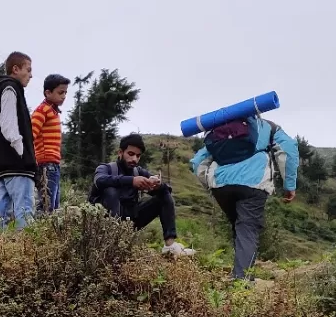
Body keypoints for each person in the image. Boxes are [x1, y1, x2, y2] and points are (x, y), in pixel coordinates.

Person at [191, 116, 298, 280]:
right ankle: (242, 281)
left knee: (239, 227)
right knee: (247, 229)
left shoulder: (222, 127)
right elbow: (289, 150)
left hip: (220, 185)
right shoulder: (267, 127)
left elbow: (198, 162)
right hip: (253, 183)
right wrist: (289, 185)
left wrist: (211, 185)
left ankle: (241, 273)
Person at [89, 134, 195, 256]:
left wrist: (157, 185)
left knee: (164, 195)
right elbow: (99, 180)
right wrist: (131, 181)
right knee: (110, 190)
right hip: (102, 225)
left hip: (129, 221)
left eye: (138, 156)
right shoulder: (106, 168)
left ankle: (170, 247)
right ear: (120, 152)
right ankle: (112, 245)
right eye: (130, 154)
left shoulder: (138, 171)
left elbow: (167, 191)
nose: (134, 159)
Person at [0, 51, 36, 229]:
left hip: (1, 165)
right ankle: (28, 252)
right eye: (28, 70)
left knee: (1, 213)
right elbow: (8, 124)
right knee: (25, 211)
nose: (31, 75)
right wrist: (22, 153)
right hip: (16, 164)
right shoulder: (10, 88)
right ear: (15, 69)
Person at [31, 74, 70, 213]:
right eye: (60, 92)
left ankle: (49, 233)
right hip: (45, 164)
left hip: (53, 163)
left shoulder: (53, 111)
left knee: (53, 205)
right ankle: (40, 233)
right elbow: (30, 135)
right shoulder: (42, 110)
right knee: (46, 205)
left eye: (65, 92)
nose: (64, 96)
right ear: (48, 92)